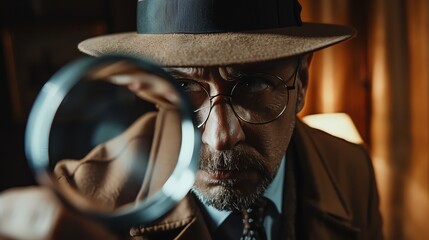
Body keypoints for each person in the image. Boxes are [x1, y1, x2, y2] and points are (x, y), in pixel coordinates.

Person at [0, 0, 383, 239]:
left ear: (300, 82)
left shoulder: (352, 170)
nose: (220, 137)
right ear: (148, 89)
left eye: (253, 84)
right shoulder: (83, 199)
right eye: (184, 88)